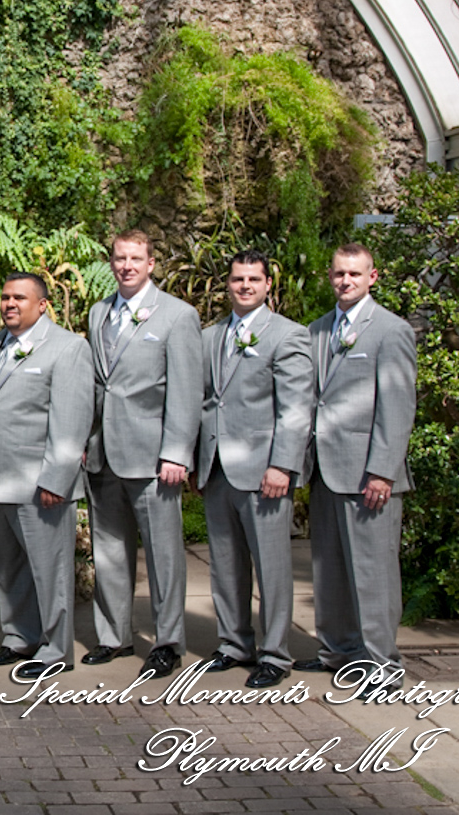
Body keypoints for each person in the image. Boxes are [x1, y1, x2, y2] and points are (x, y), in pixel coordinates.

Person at [83, 229, 201, 678]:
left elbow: (186, 391)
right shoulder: (98, 313)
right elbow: (97, 386)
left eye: (136, 258)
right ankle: (113, 635)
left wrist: (176, 452)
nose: (127, 265)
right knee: (110, 549)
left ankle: (168, 641)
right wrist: (83, 439)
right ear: (111, 262)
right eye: (119, 258)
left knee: (163, 554)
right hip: (102, 453)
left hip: (153, 456)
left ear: (151, 264)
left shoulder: (177, 315)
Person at [296, 243, 416, 685]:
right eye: (338, 274)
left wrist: (383, 470)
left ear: (372, 277)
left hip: (369, 474)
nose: (345, 281)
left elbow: (398, 406)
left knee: (373, 573)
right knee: (329, 569)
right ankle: (339, 652)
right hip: (326, 469)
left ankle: (383, 666)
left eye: (354, 274)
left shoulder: (391, 330)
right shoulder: (317, 331)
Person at [196, 251, 313, 689]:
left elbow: (296, 409)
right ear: (227, 283)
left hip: (265, 471)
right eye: (237, 279)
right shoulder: (210, 337)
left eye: (253, 279)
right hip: (217, 467)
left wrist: (282, 464)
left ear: (268, 285)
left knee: (272, 567)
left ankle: (275, 654)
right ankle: (233, 644)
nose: (245, 286)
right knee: (225, 564)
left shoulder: (287, 335)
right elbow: (205, 402)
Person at [0, 273, 93, 680]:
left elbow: (72, 420)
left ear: (42, 304)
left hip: (40, 483)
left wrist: (56, 479)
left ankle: (57, 647)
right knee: (9, 568)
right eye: (5, 296)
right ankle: (19, 636)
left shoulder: (68, 348)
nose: (9, 304)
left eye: (19, 298)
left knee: (50, 569)